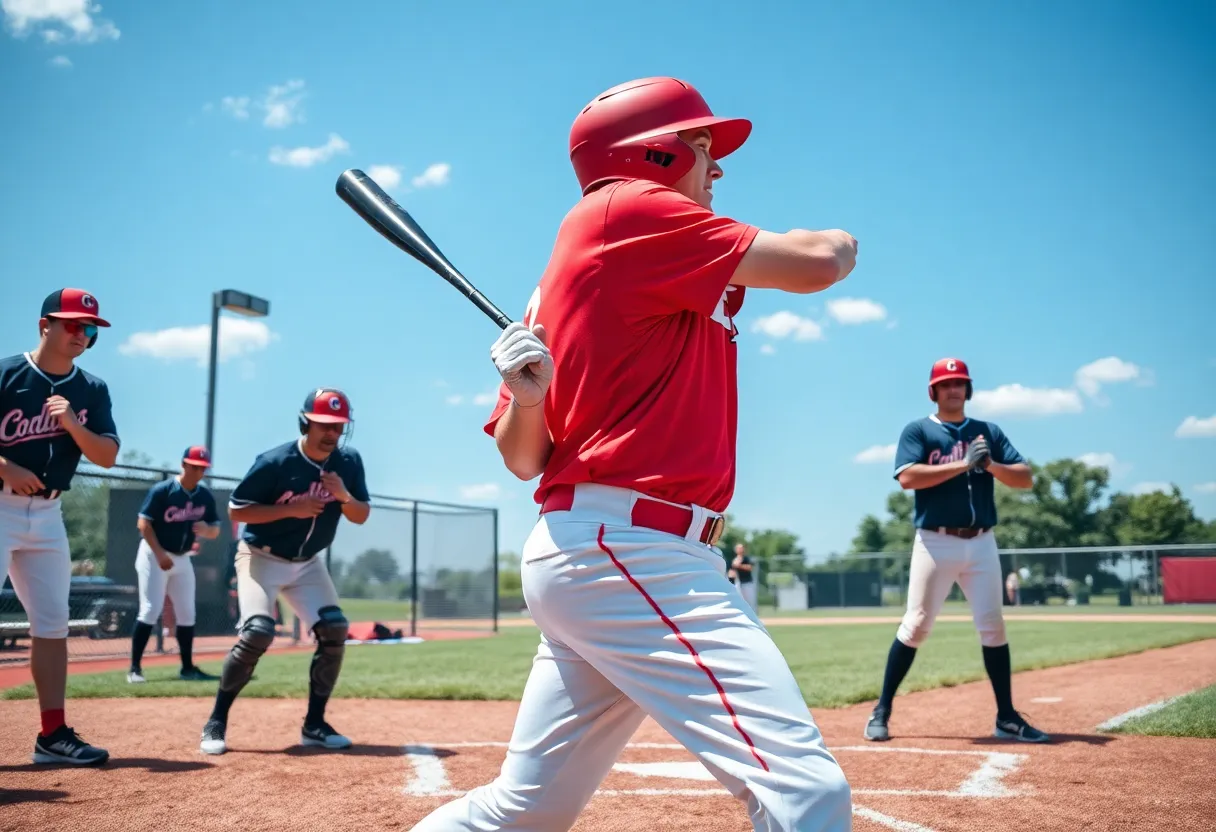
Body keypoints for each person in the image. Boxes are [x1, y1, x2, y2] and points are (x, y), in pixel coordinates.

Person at [411, 76, 859, 832]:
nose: (716, 166)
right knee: (807, 793)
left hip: (602, 549)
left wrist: (532, 401)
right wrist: (845, 238)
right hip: (631, 548)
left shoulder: (602, 251)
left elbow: (526, 459)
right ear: (651, 153)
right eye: (701, 145)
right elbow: (819, 261)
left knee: (524, 810)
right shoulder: (627, 208)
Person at [863, 358, 1049, 744]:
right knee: (916, 625)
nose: (953, 389)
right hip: (935, 541)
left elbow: (1025, 478)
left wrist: (989, 464)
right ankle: (882, 710)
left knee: (993, 625)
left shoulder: (987, 432)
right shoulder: (919, 430)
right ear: (933, 391)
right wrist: (964, 465)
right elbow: (908, 477)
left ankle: (1006, 717)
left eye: (959, 383)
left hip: (981, 542)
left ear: (968, 389)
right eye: (946, 384)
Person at [198, 389, 370, 755]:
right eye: (323, 425)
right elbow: (237, 510)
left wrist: (343, 495)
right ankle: (216, 720)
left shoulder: (349, 462)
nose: (331, 433)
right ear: (305, 423)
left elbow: (361, 515)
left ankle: (315, 725)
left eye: (338, 427)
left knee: (334, 629)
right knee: (258, 632)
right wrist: (291, 510)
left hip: (307, 564)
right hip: (261, 557)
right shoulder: (275, 462)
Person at [0, 288, 119, 765]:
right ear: (43, 325)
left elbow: (106, 456)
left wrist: (72, 423)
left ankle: (52, 735)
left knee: (52, 623)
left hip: (48, 514)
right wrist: (3, 466)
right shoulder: (7, 373)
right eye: (72, 324)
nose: (82, 334)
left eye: (89, 329)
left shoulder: (91, 389)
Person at [127, 445, 221, 683]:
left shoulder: (204, 495)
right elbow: (143, 525)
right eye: (194, 466)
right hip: (153, 554)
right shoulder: (163, 490)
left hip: (182, 557)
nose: (199, 472)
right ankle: (135, 669)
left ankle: (188, 668)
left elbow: (215, 530)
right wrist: (160, 555)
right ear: (183, 464)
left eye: (203, 468)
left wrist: (206, 530)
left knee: (187, 612)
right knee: (151, 609)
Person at [731, 541, 758, 610]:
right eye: (738, 548)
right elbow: (731, 571)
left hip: (747, 582)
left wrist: (739, 566)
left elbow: (750, 567)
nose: (740, 550)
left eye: (741, 548)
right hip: (738, 582)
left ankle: (753, 615)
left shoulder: (747, 558)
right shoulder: (734, 560)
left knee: (750, 602)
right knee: (739, 601)